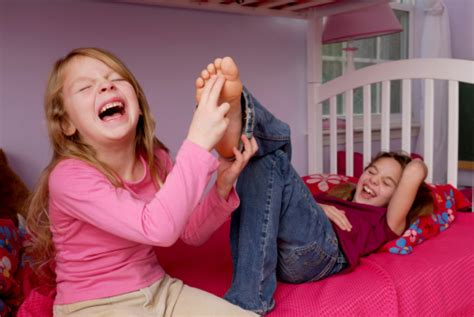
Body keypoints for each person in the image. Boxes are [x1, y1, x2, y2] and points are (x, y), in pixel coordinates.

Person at [25, 47, 259, 317]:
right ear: (66, 124)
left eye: (115, 78)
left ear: (136, 103)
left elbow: (191, 232)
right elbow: (157, 229)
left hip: (162, 291)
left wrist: (221, 188)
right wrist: (197, 143)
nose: (105, 85)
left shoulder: (156, 160)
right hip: (94, 306)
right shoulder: (69, 177)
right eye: (85, 87)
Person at [193, 56, 433, 315]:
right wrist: (318, 206)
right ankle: (239, 133)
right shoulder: (337, 197)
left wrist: (408, 164)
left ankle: (239, 125)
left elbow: (415, 171)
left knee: (276, 154)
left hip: (323, 255)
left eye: (387, 183)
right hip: (279, 250)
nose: (374, 180)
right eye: (372, 172)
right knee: (260, 162)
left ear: (399, 198)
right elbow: (285, 202)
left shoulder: (386, 221)